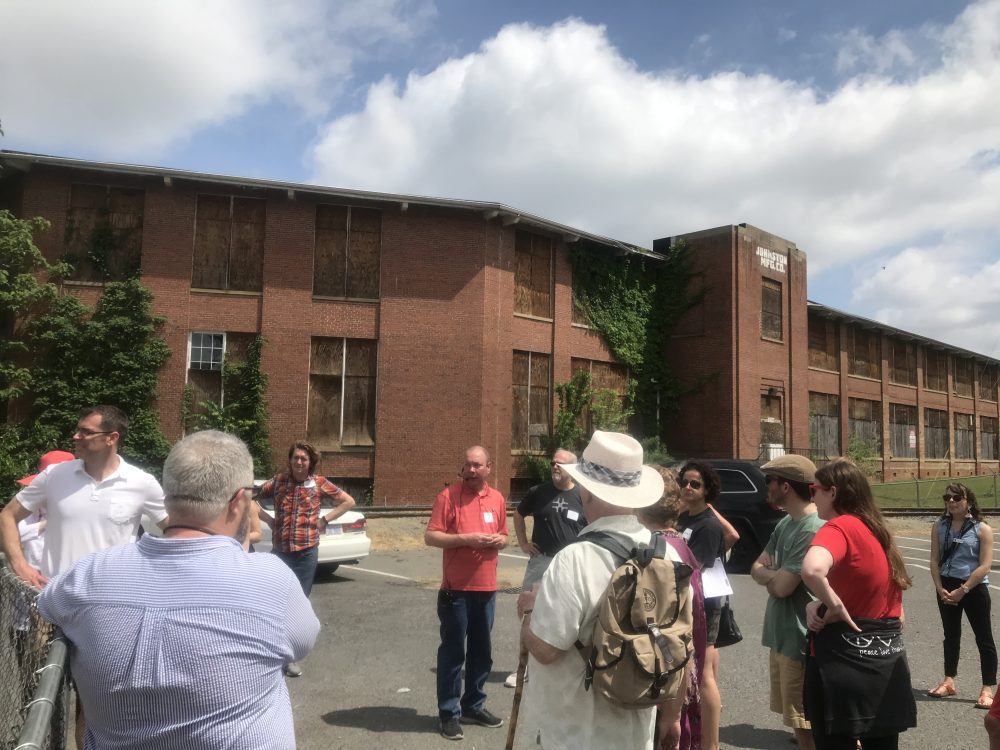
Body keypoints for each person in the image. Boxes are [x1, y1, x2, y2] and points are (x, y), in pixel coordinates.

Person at [37, 430, 319, 750]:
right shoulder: (272, 580)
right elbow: (301, 642)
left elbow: (46, 603)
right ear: (240, 502)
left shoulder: (89, 573)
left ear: (168, 495)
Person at [513, 431, 685, 750]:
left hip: (576, 732)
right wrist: (672, 718)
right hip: (636, 729)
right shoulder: (668, 554)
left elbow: (547, 649)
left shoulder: (575, 559)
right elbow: (678, 642)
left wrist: (529, 610)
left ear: (587, 492)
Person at [801, 458, 916, 750]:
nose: (812, 496)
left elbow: (813, 569)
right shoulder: (878, 532)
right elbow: (891, 609)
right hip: (886, 664)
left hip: (841, 662)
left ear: (833, 492)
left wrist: (834, 605)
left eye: (815, 489)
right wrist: (822, 604)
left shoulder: (839, 527)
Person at [0, 406, 168, 588]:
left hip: (109, 599)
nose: (76, 436)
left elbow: (176, 528)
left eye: (86, 432)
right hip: (54, 598)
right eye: (78, 430)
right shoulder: (54, 475)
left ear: (111, 438)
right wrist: (19, 564)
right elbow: (7, 515)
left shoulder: (141, 482)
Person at [425, 445, 508, 741]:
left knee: (482, 653)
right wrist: (465, 539)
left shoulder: (497, 498)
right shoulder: (448, 496)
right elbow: (430, 536)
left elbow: (505, 536)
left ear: (489, 467)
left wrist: (498, 540)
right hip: (455, 591)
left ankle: (473, 705)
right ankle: (448, 714)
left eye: (477, 465)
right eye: (467, 465)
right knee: (452, 653)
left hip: (487, 590)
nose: (471, 470)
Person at [257, 441, 354, 676]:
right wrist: (267, 519)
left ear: (310, 462)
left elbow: (348, 501)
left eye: (303, 458)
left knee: (297, 603)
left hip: (306, 552)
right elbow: (251, 496)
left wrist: (325, 520)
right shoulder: (279, 481)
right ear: (290, 461)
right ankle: (271, 652)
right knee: (275, 602)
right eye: (295, 458)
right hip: (281, 551)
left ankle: (289, 657)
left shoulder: (319, 483)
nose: (299, 462)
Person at [750, 454, 824, 750]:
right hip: (782, 636)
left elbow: (782, 587)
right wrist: (772, 574)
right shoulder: (785, 524)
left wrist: (770, 575)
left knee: (806, 723)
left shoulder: (811, 528)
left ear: (786, 486)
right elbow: (755, 568)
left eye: (770, 481)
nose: (765, 487)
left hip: (800, 637)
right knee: (797, 721)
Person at [506, 448, 585, 688]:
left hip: (571, 564)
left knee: (569, 613)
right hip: (541, 560)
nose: (554, 467)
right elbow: (518, 514)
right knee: (528, 611)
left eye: (560, 464)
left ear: (573, 468)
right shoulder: (538, 492)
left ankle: (567, 666)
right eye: (553, 463)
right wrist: (522, 543)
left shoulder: (583, 496)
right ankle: (523, 666)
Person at [639, 467, 706, 750]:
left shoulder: (659, 550)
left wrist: (672, 710)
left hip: (666, 686)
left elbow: (677, 636)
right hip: (680, 681)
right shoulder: (680, 545)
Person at [676, 461, 739, 750]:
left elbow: (694, 568)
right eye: (685, 482)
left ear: (706, 491)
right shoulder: (684, 519)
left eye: (695, 484)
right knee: (702, 671)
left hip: (705, 604)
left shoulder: (709, 525)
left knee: (704, 676)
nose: (688, 488)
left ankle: (711, 744)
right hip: (688, 601)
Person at [927, 482, 996, 708]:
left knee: (983, 637)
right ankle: (949, 680)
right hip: (946, 586)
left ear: (969, 501)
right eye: (948, 498)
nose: (952, 502)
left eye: (957, 498)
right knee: (951, 635)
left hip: (973, 587)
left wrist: (963, 589)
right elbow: (934, 560)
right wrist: (939, 587)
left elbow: (985, 566)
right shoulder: (939, 526)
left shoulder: (982, 529)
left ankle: (987, 688)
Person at [13, 450, 76, 568]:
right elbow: (13, 533)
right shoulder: (32, 506)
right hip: (35, 573)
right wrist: (46, 524)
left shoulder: (79, 505)